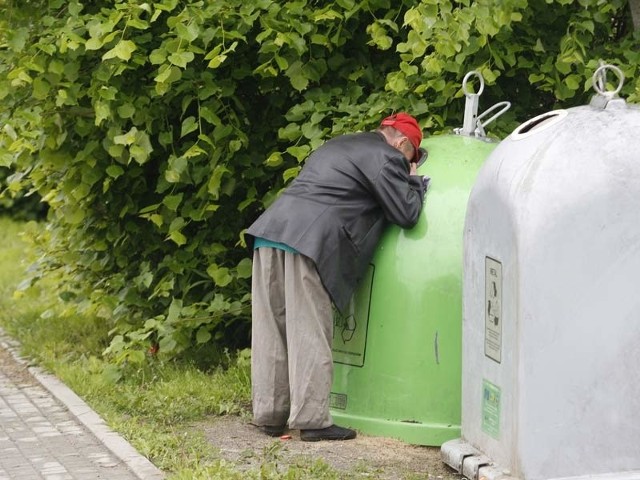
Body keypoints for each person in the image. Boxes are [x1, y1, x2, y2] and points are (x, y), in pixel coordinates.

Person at [246, 112, 429, 441]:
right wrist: (415, 181)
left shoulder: (340, 144)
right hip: (309, 241)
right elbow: (407, 213)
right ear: (402, 143)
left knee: (270, 327)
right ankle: (313, 421)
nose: (409, 163)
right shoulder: (388, 157)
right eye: (412, 157)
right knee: (308, 327)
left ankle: (270, 415)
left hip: (270, 232)